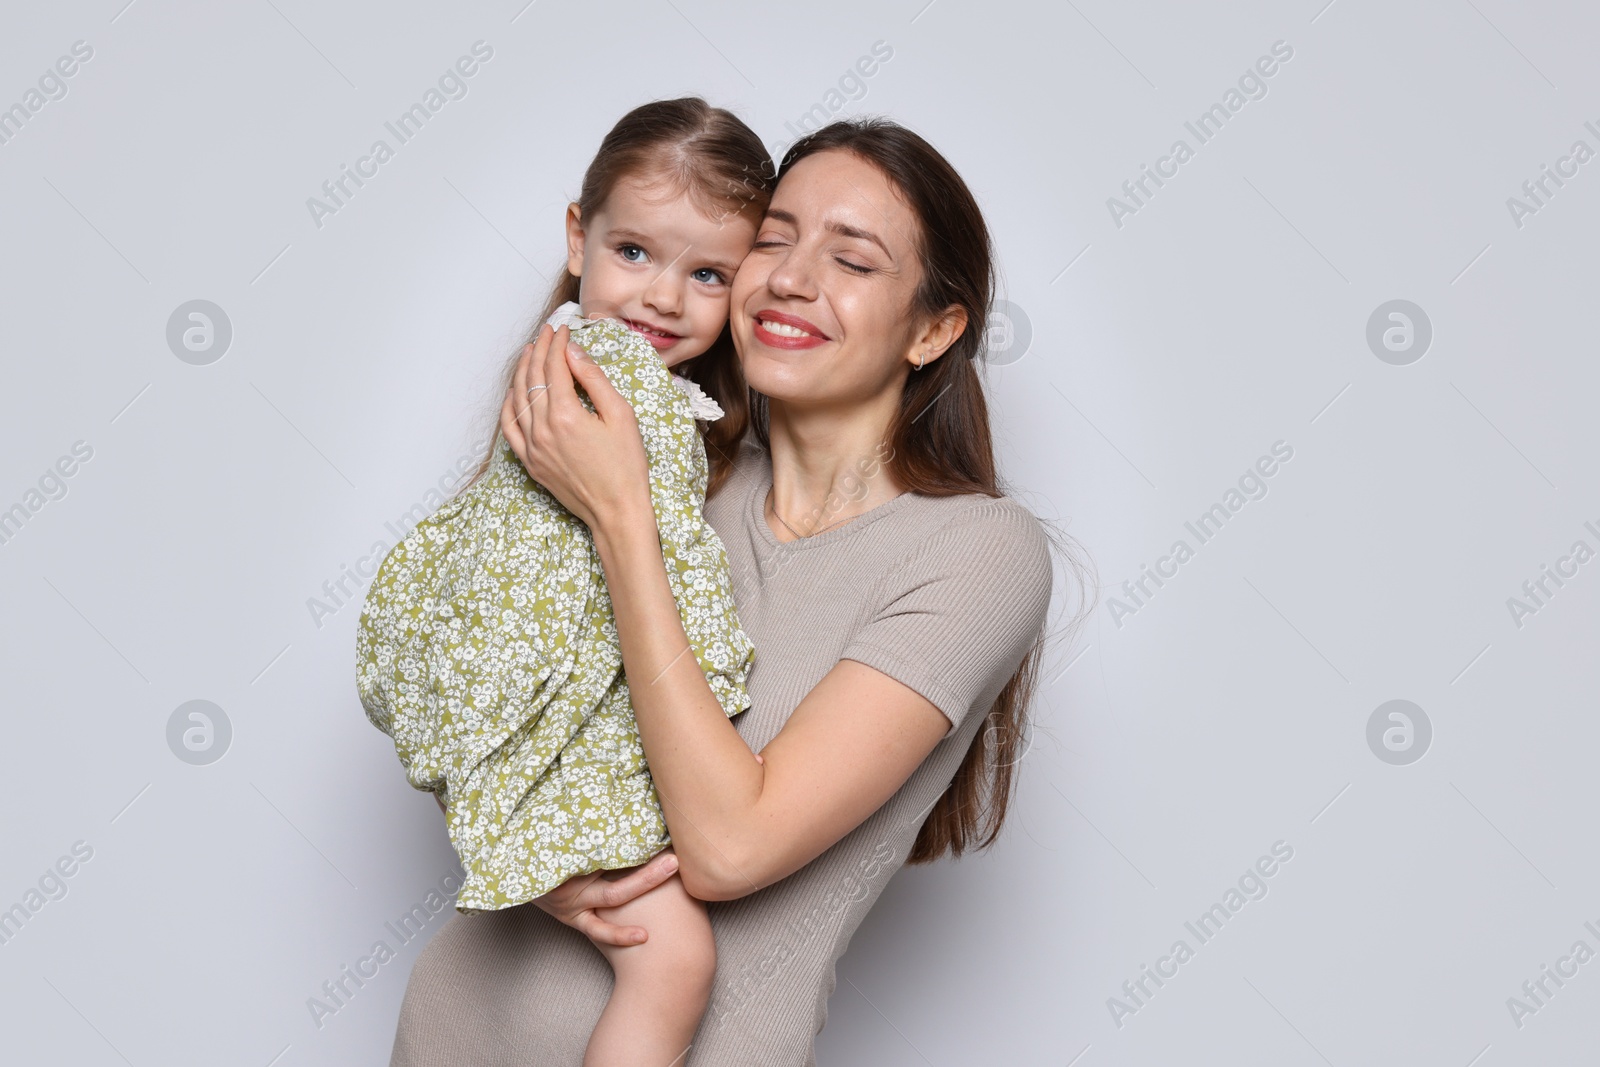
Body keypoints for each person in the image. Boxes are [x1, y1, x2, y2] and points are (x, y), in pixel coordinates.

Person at [389, 116, 1088, 1066]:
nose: (792, 278)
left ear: (934, 328)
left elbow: (728, 848)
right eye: (774, 238)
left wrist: (622, 518)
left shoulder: (975, 553)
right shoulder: (673, 461)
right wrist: (530, 858)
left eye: (852, 260)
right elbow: (481, 673)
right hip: (458, 1027)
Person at [358, 98, 776, 1066]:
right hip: (568, 720)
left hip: (522, 716)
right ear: (577, 235)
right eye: (635, 251)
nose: (663, 298)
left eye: (706, 272)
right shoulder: (620, 385)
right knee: (673, 962)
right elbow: (660, 549)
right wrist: (711, 664)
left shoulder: (554, 364)